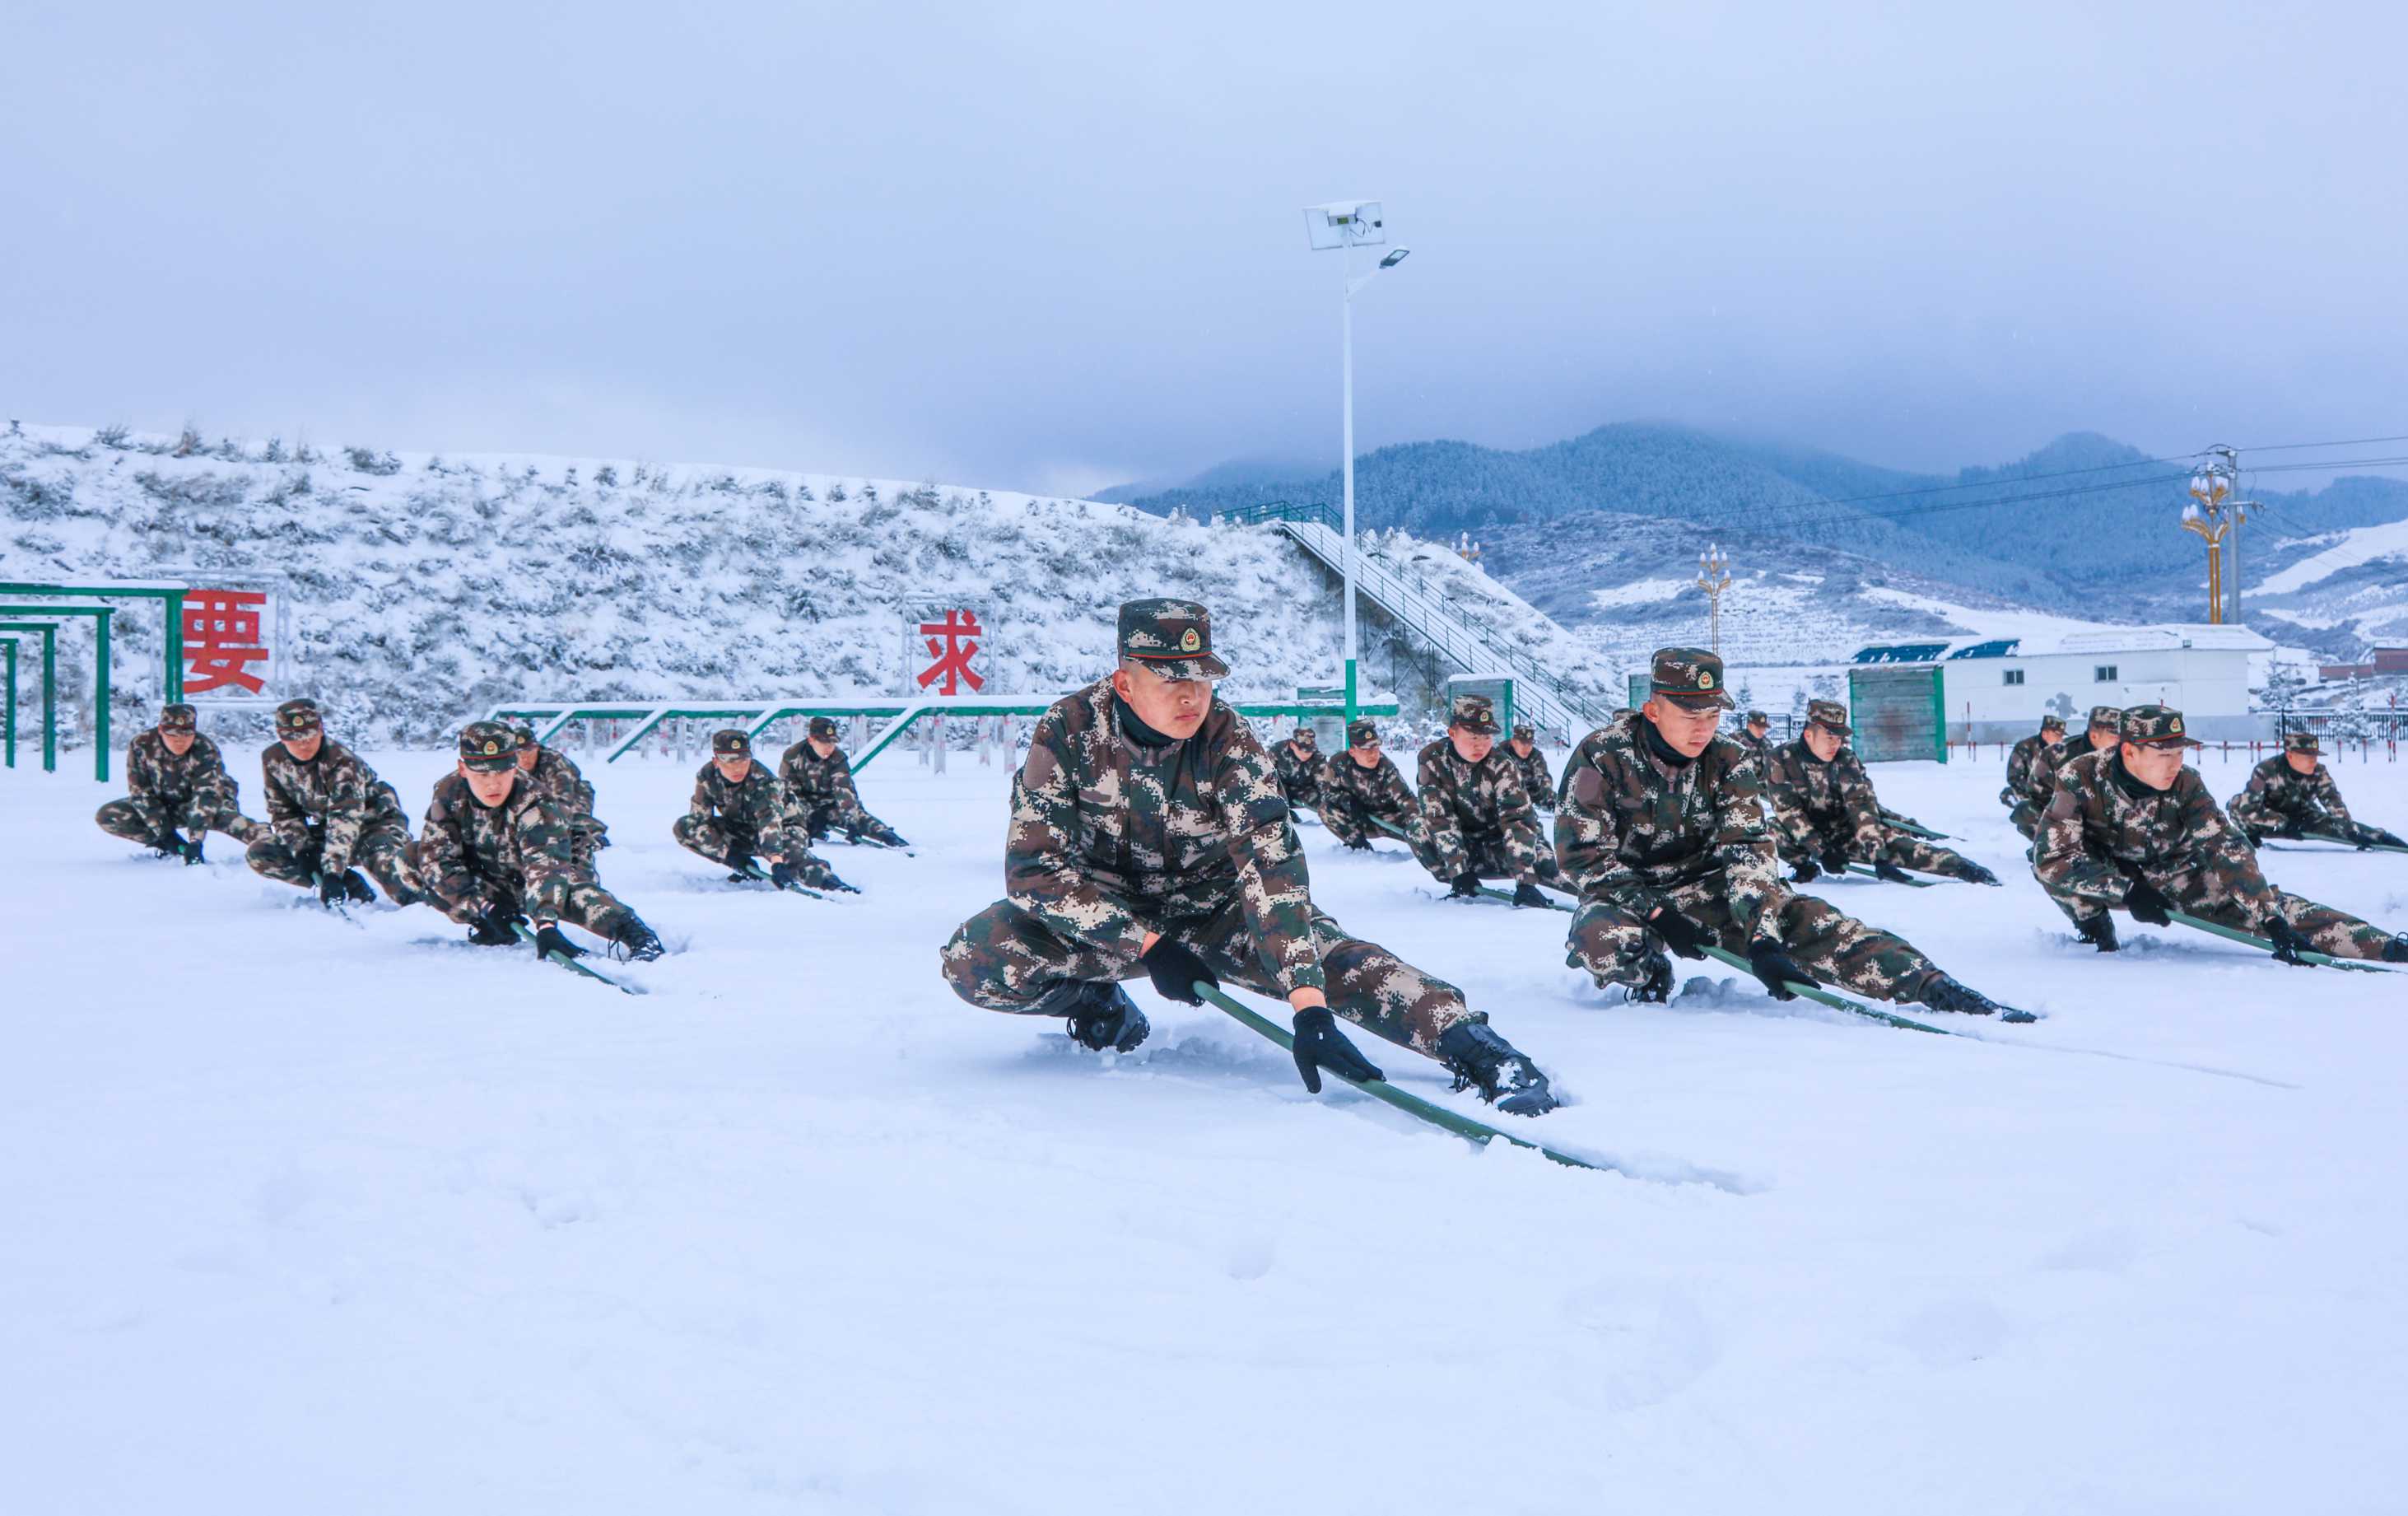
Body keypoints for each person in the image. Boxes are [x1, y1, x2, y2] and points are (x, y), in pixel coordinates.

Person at [939, 597, 1556, 1115]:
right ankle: (1097, 1001)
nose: (1192, 695)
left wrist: (1308, 1006)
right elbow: (1035, 871)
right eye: (1171, 678)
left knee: (1334, 963)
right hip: (1109, 918)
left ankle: (1473, 1044)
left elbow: (1273, 871)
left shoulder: (1230, 744)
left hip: (1223, 913)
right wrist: (1145, 946)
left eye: (1201, 677)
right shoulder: (1068, 731)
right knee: (977, 957)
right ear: (1125, 681)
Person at [1557, 647, 2010, 1013]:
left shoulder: (1729, 759)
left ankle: (1931, 986)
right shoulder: (1603, 755)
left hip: (1712, 886)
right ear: (1653, 711)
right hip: (1627, 893)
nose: (1704, 729)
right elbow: (1582, 856)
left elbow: (1749, 850)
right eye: (1691, 717)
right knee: (1603, 940)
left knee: (1816, 925)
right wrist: (1657, 914)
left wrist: (1762, 932)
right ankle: (1652, 973)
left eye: (1713, 716)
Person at [2033, 705, 2406, 961]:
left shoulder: (2187, 784)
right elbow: (2053, 857)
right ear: (2129, 752)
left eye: (2179, 753)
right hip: (2108, 872)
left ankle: (2383, 945)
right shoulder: (2080, 776)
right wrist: (2126, 892)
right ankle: (2096, 932)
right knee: (2053, 875)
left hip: (2177, 875)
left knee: (2275, 909)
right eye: (2164, 756)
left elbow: (2225, 846)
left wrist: (2269, 917)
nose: (2175, 764)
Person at [411, 721, 664, 961]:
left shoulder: (535, 800)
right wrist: (484, 908)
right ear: (464, 769)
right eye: (482, 774)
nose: (493, 783)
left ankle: (636, 934)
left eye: (502, 771)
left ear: (514, 766)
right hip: (490, 878)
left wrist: (546, 924)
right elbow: (437, 858)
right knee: (411, 861)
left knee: (571, 892)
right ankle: (491, 927)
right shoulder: (448, 792)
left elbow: (547, 864)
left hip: (541, 873)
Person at [1761, 699, 2000, 885]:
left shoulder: (1845, 759)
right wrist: (1821, 851)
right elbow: (1788, 812)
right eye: (1829, 737)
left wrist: (1879, 856)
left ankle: (1964, 868)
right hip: (1804, 834)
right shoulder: (1781, 759)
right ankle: (1805, 868)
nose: (1836, 744)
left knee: (1899, 846)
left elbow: (1860, 806)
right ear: (1809, 734)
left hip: (1847, 829)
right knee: (1769, 830)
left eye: (1840, 738)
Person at [245, 697, 421, 906]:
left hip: (375, 826)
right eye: (294, 739)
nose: (303, 744)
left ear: (320, 729)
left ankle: (426, 912)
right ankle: (351, 883)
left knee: (398, 881)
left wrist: (332, 872)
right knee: (261, 854)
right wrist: (304, 851)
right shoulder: (273, 760)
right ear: (281, 737)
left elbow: (345, 817)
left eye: (308, 737)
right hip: (329, 829)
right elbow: (283, 812)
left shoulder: (342, 761)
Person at [1416, 694, 1560, 907]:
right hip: (1465, 846)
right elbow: (1440, 818)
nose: (1480, 746)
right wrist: (1458, 871)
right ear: (1452, 733)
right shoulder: (1432, 760)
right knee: (1417, 829)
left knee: (1550, 870)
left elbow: (1518, 821)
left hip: (1502, 844)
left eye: (1486, 738)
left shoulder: (1502, 764)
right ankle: (1461, 880)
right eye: (1473, 738)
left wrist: (1525, 881)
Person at [673, 730, 852, 891]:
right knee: (686, 827)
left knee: (795, 860)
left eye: (743, 760)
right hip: (740, 829)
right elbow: (699, 819)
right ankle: (743, 866)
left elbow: (770, 821)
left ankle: (831, 884)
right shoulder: (707, 776)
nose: (737, 767)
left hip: (783, 828)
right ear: (716, 761)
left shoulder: (764, 781)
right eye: (729, 761)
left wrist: (776, 863)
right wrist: (730, 855)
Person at [95, 702, 263, 863]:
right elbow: (141, 792)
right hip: (165, 805)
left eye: (186, 734)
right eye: (173, 735)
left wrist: (196, 840)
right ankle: (174, 848)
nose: (180, 741)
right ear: (161, 730)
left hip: (207, 805)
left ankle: (271, 843)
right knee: (109, 815)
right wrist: (167, 836)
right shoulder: (142, 745)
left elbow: (206, 794)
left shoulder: (204, 748)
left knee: (232, 821)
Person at [2228, 731, 2402, 850]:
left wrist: (2350, 830)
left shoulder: (2319, 771)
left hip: (2302, 817)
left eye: (2315, 755)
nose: (2313, 760)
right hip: (2267, 821)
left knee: (2333, 825)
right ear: (2290, 755)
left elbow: (2333, 802)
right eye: (2308, 756)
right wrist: (2282, 823)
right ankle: (2250, 839)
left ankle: (2380, 837)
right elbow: (2249, 808)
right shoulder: (2266, 770)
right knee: (2236, 804)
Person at [1315, 718, 1443, 868]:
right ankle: (1359, 845)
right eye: (1366, 749)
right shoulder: (1338, 763)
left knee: (1420, 824)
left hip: (1389, 819)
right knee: (1325, 809)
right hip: (1358, 819)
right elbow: (1326, 791)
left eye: (1376, 747)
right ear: (1352, 751)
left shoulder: (1386, 768)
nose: (1373, 754)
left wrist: (1420, 827)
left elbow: (1407, 800)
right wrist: (1347, 801)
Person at [778, 716, 909, 847]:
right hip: (801, 805)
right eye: (824, 742)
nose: (829, 747)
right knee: (787, 816)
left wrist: (851, 821)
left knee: (860, 818)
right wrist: (811, 814)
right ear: (811, 740)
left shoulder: (838, 758)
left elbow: (844, 790)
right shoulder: (793, 756)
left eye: (832, 742)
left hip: (830, 805)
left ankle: (889, 837)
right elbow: (790, 792)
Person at [506, 721, 609, 866]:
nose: (524, 757)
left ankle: (592, 832)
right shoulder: (509, 767)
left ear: (537, 748)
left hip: (574, 794)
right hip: (535, 799)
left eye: (528, 751)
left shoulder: (554, 762)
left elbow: (563, 800)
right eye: (519, 753)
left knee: (568, 818)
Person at [2000, 713, 2069, 840]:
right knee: (2009, 795)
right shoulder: (2024, 748)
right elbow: (2015, 777)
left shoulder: (2063, 751)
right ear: (2045, 734)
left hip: (2056, 794)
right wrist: (2034, 791)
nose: (2060, 739)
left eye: (2062, 736)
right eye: (2057, 735)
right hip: (2030, 791)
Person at [1269, 722, 1325, 811]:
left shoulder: (1318, 757)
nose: (1307, 754)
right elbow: (1266, 776)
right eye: (1303, 750)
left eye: (1310, 750)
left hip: (1305, 791)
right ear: (1292, 745)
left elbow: (1323, 783)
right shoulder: (1276, 751)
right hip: (1280, 790)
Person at [1506, 721, 1555, 812]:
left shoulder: (1536, 756)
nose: (1527, 748)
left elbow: (1543, 778)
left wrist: (1549, 798)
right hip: (1506, 797)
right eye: (1523, 744)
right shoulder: (1502, 753)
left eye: (1530, 744)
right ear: (1513, 742)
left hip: (1531, 796)